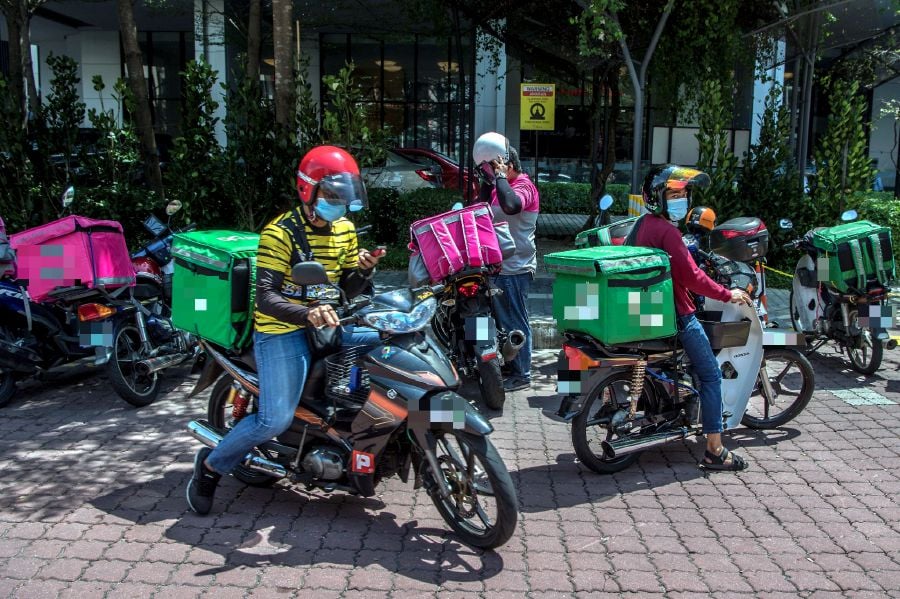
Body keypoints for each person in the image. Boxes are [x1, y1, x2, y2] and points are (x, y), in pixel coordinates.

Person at [187, 145, 384, 514]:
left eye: (345, 195)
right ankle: (211, 467)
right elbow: (265, 298)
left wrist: (365, 270)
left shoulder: (344, 229)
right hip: (281, 332)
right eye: (332, 195)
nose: (340, 203)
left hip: (327, 325)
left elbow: (346, 287)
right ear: (308, 190)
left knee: (386, 344)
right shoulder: (280, 234)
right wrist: (308, 314)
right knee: (272, 420)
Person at [628, 165, 751, 471]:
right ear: (657, 197)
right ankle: (715, 450)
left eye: (682, 195)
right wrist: (727, 294)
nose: (680, 201)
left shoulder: (642, 225)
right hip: (677, 314)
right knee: (710, 375)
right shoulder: (668, 232)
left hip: (645, 309)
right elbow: (692, 277)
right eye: (673, 195)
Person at [472, 132, 539, 393]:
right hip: (497, 266)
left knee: (514, 321)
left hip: (515, 268)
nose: (489, 174)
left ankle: (522, 374)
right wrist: (488, 181)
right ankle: (510, 366)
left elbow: (511, 205)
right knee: (502, 323)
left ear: (505, 164)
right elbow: (479, 209)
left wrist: (499, 177)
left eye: (490, 168)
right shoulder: (498, 187)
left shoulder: (523, 186)